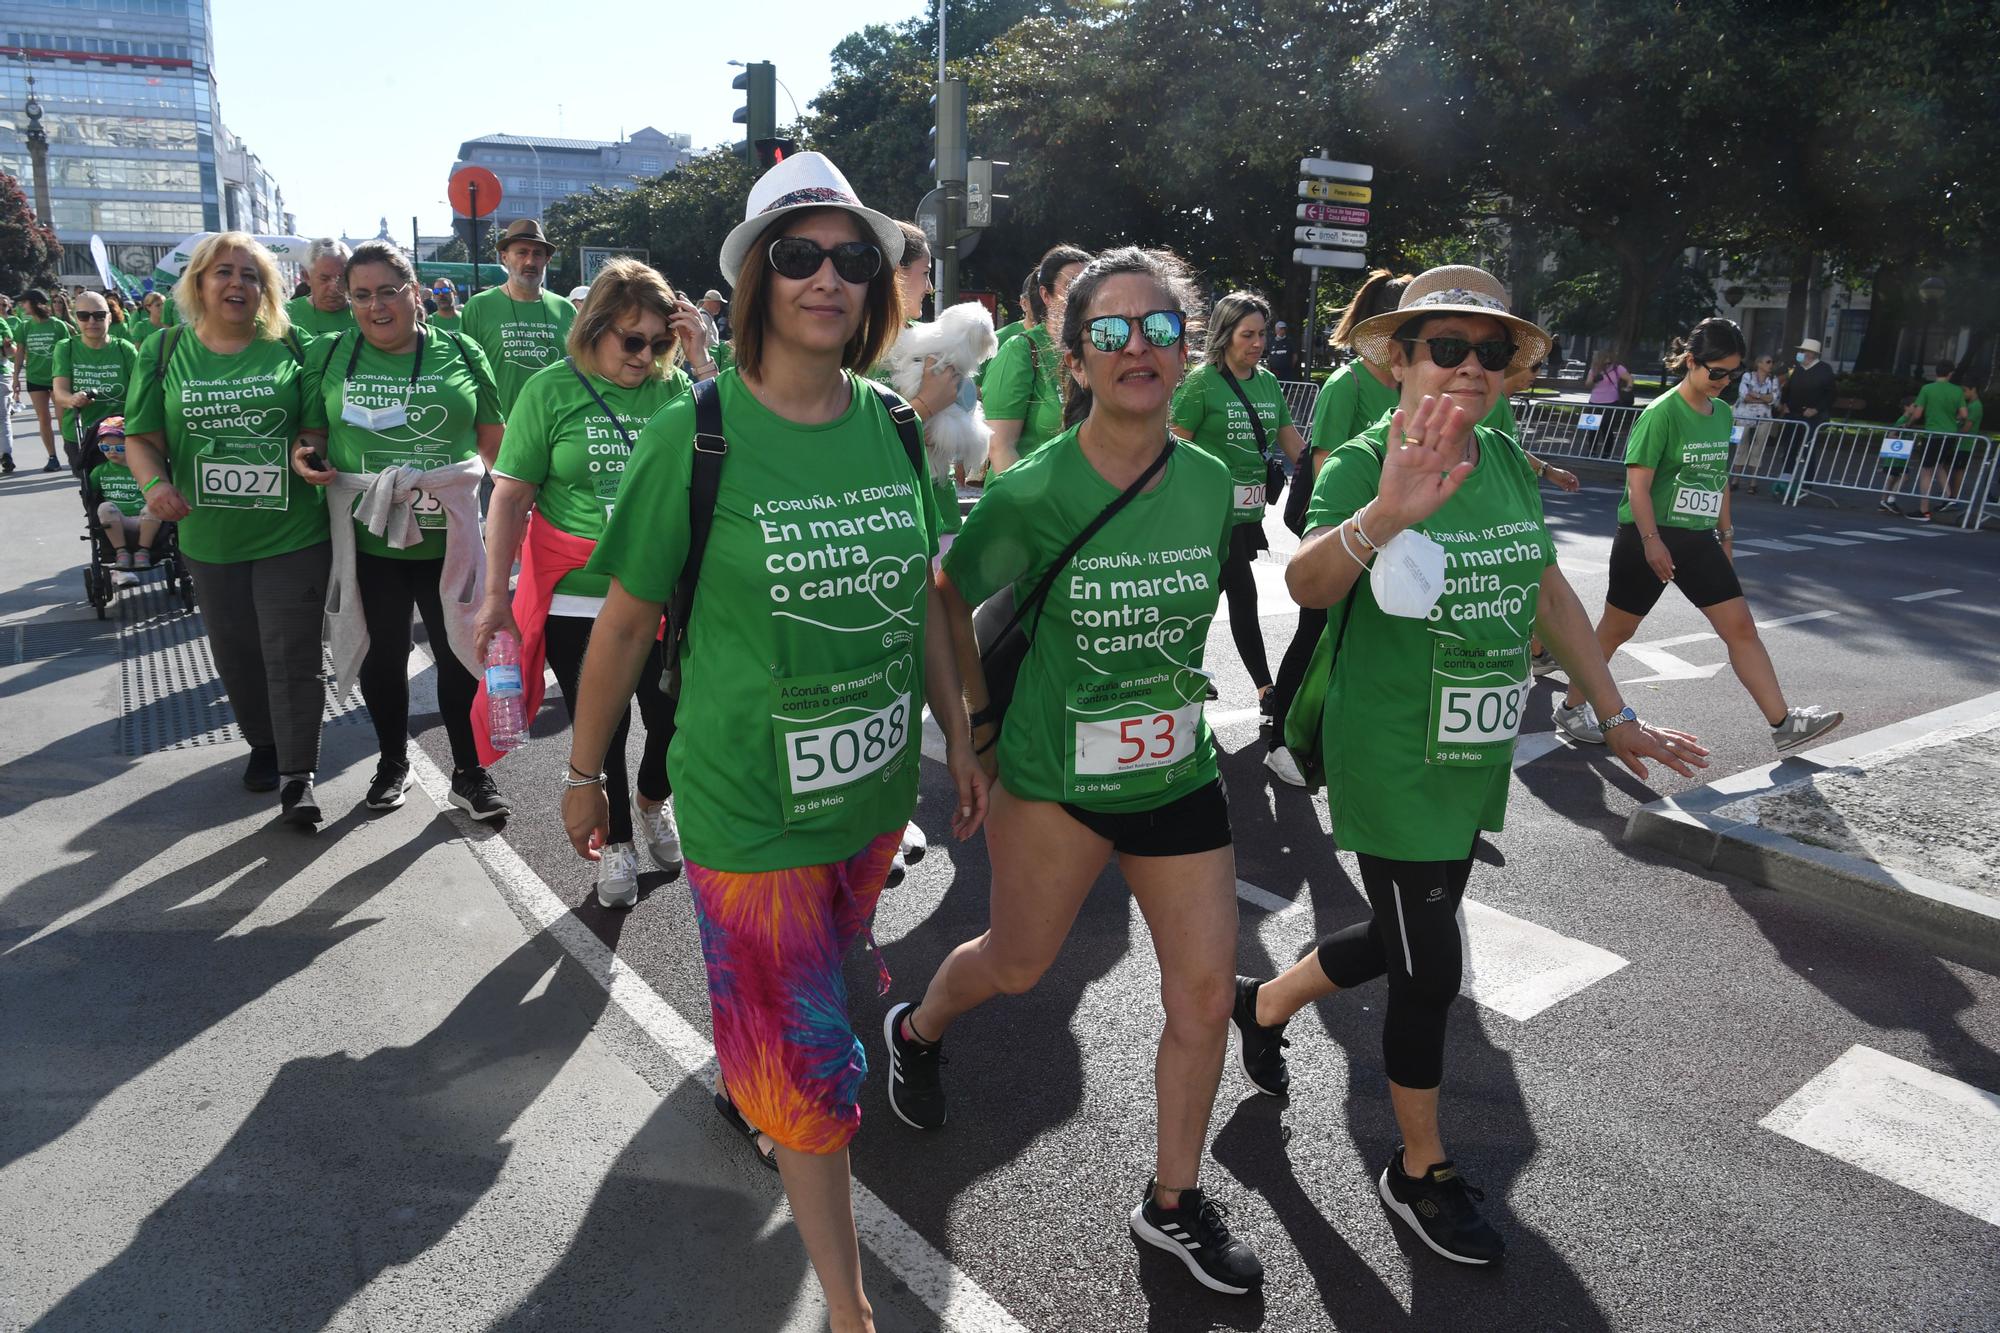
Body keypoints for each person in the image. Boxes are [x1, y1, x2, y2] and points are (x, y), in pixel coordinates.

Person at [563, 152, 983, 1333]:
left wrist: (965, 731)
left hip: (864, 808)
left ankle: (756, 1067)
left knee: (808, 1001)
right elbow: (627, 623)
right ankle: (848, 1313)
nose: (826, 277)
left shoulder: (898, 428)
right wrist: (585, 770)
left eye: (852, 258)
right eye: (796, 254)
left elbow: (930, 600)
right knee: (814, 1064)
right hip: (743, 807)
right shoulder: (691, 438)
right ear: (753, 279)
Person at [1232, 265, 1708, 1266]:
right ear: (1395, 358)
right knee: (1428, 962)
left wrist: (1611, 712)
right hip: (1389, 746)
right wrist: (1387, 513)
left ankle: (1264, 1001)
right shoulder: (1366, 458)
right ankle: (1416, 1170)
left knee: (1411, 927)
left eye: (1490, 352)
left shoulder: (1497, 458)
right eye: (1444, 346)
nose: (1469, 367)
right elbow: (1311, 578)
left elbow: (1548, 595)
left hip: (1471, 740)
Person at [882, 247, 1269, 1297]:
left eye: (1156, 329)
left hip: (1175, 773)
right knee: (1014, 964)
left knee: (1198, 995)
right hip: (1053, 777)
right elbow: (941, 596)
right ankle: (915, 1027)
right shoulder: (1034, 488)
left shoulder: (1202, 485)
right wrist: (974, 729)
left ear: (1184, 351)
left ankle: (1172, 1202)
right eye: (1108, 332)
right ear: (1074, 360)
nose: (1135, 347)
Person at [474, 258, 702, 905]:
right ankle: (620, 842)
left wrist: (699, 360)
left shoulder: (675, 388)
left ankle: (652, 798)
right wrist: (496, 594)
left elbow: (724, 459)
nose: (647, 355)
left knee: (673, 719)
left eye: (659, 342)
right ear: (595, 326)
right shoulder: (549, 390)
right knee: (601, 725)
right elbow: (511, 497)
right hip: (577, 592)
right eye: (633, 340)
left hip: (662, 594)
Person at [285, 240, 509, 821]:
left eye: (389, 291)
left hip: (451, 536)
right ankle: (393, 762)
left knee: (462, 655)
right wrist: (305, 455)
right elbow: (312, 434)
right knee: (383, 659)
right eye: (361, 294)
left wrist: (506, 511)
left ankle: (468, 771)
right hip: (368, 537)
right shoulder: (330, 353)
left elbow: (494, 444)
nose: (376, 306)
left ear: (415, 291)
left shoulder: (461, 348)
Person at [1554, 316, 1844, 753]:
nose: (1725, 381)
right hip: (1648, 536)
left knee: (1741, 628)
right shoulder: (1661, 413)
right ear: (1691, 361)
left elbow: (1718, 478)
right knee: (1616, 631)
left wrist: (1726, 536)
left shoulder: (1723, 412)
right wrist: (1652, 541)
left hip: (1698, 540)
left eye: (1734, 372)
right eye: (1718, 371)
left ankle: (1785, 724)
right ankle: (1573, 709)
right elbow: (1637, 487)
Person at [123, 232, 331, 826]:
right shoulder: (162, 350)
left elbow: (314, 427)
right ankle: (263, 742)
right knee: (237, 653)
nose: (236, 283)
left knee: (292, 653)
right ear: (198, 284)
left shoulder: (294, 345)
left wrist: (305, 452)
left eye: (250, 275)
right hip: (208, 538)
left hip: (292, 532)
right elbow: (141, 438)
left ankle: (298, 774)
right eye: (223, 273)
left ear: (266, 289)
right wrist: (154, 487)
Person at [1263, 270, 1408, 786]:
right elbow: (1324, 464)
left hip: (1391, 539)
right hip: (1342, 533)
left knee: (1364, 636)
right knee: (1316, 629)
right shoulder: (1345, 384)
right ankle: (1281, 737)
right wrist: (1366, 523)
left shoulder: (1408, 384)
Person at [1169, 289, 1303, 713]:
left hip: (1247, 517)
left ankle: (1188, 674)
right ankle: (1265, 689)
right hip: (1205, 518)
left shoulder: (1267, 383)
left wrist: (1333, 474)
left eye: (1262, 334)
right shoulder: (1199, 384)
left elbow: (1294, 445)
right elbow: (1174, 450)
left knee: (1208, 600)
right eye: (1248, 334)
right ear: (1225, 334)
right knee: (1237, 596)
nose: (1258, 344)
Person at [981, 243, 1090, 471]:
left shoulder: (1101, 350)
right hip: (1028, 497)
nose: (1082, 294)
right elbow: (1000, 447)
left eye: (1089, 285)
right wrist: (1028, 503)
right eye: (1071, 285)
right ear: (1045, 295)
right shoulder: (1021, 349)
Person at [460, 219, 577, 413]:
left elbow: (576, 372)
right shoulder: (479, 307)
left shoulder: (565, 309)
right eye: (522, 252)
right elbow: (466, 374)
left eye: (537, 254)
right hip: (500, 430)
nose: (530, 262)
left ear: (547, 260)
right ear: (505, 257)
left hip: (556, 427)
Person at [52, 290, 138, 473]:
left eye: (99, 316)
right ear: (76, 318)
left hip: (122, 437)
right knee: (92, 494)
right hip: (82, 435)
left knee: (128, 492)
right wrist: (72, 399)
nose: (91, 321)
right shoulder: (66, 348)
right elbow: (59, 392)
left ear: (109, 318)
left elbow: (142, 391)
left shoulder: (125, 349)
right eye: (84, 316)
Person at [86, 416, 163, 570]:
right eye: (106, 448)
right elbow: (91, 495)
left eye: (120, 448)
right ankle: (121, 552)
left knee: (154, 507)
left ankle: (143, 551)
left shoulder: (143, 468)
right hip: (117, 520)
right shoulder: (99, 471)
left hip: (145, 519)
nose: (112, 452)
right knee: (104, 507)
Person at [1898, 359, 1968, 522]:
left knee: (1926, 471)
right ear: (1950, 373)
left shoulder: (1927, 389)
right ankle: (1949, 497)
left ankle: (1924, 510)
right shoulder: (1957, 391)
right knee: (1940, 465)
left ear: (1936, 372)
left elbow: (1917, 414)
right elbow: (1964, 415)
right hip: (1950, 434)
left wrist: (1907, 425)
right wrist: (1955, 421)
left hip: (1933, 434)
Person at [15, 289, 71, 471]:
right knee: (43, 419)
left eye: (24, 302)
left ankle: (72, 454)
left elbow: (69, 351)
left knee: (63, 419)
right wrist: (16, 378)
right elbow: (20, 352)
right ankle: (52, 457)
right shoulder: (24, 326)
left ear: (35, 303)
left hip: (57, 378)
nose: (22, 306)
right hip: (34, 378)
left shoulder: (57, 325)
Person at [1778, 336, 1836, 484]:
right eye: (1802, 351)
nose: (1802, 353)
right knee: (1790, 445)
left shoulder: (1824, 369)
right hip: (1793, 412)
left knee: (1808, 448)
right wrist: (1784, 403)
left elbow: (1831, 393)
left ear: (1812, 353)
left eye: (1805, 351)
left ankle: (1807, 481)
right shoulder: (1797, 368)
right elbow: (1788, 388)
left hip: (1812, 416)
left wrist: (1816, 409)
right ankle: (1786, 477)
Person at [285, 238, 359, 343]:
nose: (334, 287)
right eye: (324, 279)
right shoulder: (284, 315)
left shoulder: (365, 314)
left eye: (341, 278)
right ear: (306, 277)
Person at [1734, 354, 1781, 494]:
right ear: (1759, 363)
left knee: (1758, 447)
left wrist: (1757, 396)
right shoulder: (1747, 376)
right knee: (1740, 446)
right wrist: (1763, 399)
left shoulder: (1773, 379)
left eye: (1772, 362)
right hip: (1742, 415)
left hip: (1764, 416)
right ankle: (1735, 480)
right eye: (1768, 362)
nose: (1771, 364)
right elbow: (1744, 396)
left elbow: (1773, 399)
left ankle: (1752, 482)